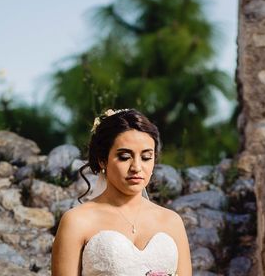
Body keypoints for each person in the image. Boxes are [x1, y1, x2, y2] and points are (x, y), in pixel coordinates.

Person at [51, 108, 192, 276]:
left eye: (146, 157)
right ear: (103, 160)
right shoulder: (77, 221)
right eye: (125, 157)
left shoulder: (172, 222)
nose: (137, 168)